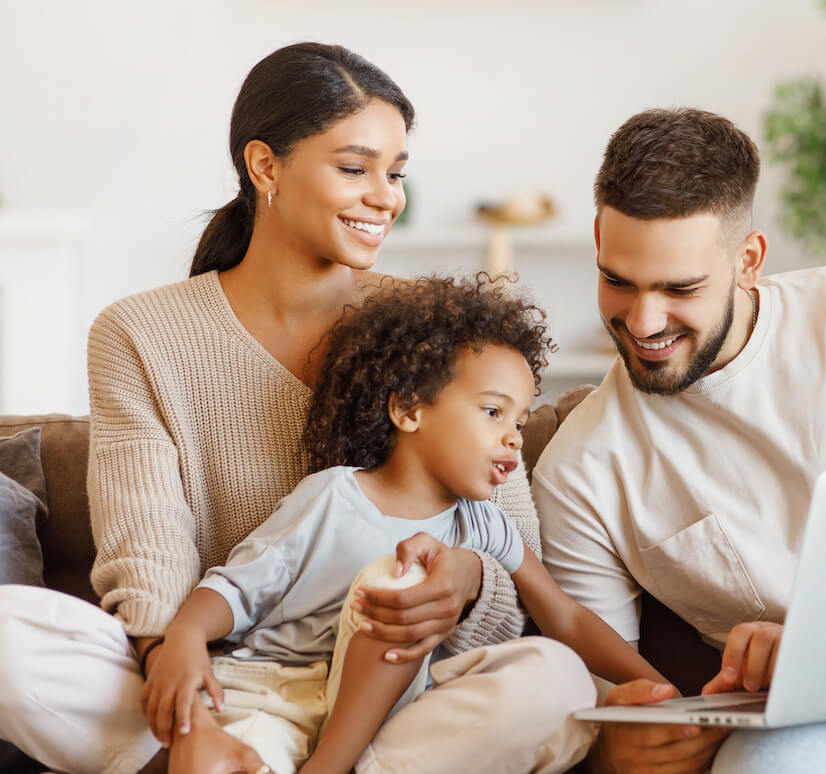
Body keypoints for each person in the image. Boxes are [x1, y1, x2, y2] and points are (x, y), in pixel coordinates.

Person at [0, 43, 592, 774]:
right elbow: (148, 555)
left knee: (554, 684)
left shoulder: (441, 330)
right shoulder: (139, 333)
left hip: (400, 694)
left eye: (396, 172)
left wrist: (464, 584)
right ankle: (217, 754)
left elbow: (514, 549)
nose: (386, 196)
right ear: (265, 166)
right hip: (221, 677)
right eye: (355, 168)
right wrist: (183, 689)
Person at [532, 107, 826, 774]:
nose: (643, 321)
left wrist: (825, 642)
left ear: (748, 261)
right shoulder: (579, 468)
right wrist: (615, 750)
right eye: (618, 280)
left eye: (681, 288)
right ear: (601, 241)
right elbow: (613, 703)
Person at [142, 276, 662, 774]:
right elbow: (235, 591)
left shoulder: (485, 525)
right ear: (409, 410)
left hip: (393, 720)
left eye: (520, 421)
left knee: (563, 679)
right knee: (404, 574)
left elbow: (565, 617)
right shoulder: (334, 497)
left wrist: (668, 694)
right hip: (272, 697)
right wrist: (185, 637)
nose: (514, 438)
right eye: (492, 412)